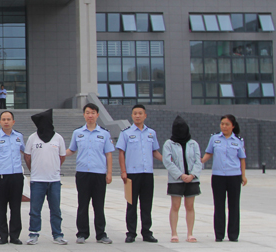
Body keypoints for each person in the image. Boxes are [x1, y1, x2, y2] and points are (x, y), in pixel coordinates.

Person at [67, 103, 115, 244]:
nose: (90, 115)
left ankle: (101, 234)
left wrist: (109, 173)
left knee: (99, 205)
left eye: (93, 113)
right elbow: (71, 150)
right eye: (87, 113)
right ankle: (82, 233)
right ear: (84, 115)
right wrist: (57, 153)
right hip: (82, 173)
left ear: (97, 115)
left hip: (99, 174)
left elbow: (109, 154)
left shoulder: (104, 134)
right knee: (82, 204)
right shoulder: (78, 133)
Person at [116, 104, 162, 243]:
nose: (137, 116)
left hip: (147, 173)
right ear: (132, 116)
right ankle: (131, 233)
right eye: (135, 113)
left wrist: (167, 160)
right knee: (131, 204)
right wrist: (123, 171)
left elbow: (154, 152)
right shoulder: (126, 133)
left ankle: (147, 232)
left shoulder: (151, 133)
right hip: (132, 174)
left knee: (146, 205)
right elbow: (121, 153)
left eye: (140, 113)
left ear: (145, 115)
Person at [24, 109, 68, 245]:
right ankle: (33, 234)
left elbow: (62, 156)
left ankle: (58, 234)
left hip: (54, 181)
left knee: (55, 210)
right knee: (35, 210)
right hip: (37, 180)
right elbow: (27, 156)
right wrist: (33, 169)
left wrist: (54, 167)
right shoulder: (32, 138)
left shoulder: (58, 138)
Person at [202, 115, 247, 242]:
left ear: (233, 126)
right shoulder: (214, 138)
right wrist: (200, 161)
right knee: (219, 205)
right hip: (218, 176)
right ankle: (219, 234)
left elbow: (242, 159)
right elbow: (209, 153)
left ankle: (233, 234)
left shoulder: (238, 140)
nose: (224, 126)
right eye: (222, 124)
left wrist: (243, 175)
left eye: (227, 124)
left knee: (234, 205)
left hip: (234, 176)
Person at [0, 110, 25, 245]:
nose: (6, 122)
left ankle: (15, 236)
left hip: (16, 176)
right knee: (2, 208)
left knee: (16, 207)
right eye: (3, 119)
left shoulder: (19, 136)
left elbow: (25, 152)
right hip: (1, 177)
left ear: (13, 121)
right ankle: (3, 236)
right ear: (0, 122)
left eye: (8, 119)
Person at [162, 116, 202, 243]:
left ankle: (190, 233)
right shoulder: (169, 144)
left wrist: (192, 175)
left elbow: (198, 161)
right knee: (175, 206)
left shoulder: (193, 144)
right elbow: (167, 162)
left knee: (190, 206)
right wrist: (180, 175)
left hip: (192, 180)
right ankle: (174, 233)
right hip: (176, 180)